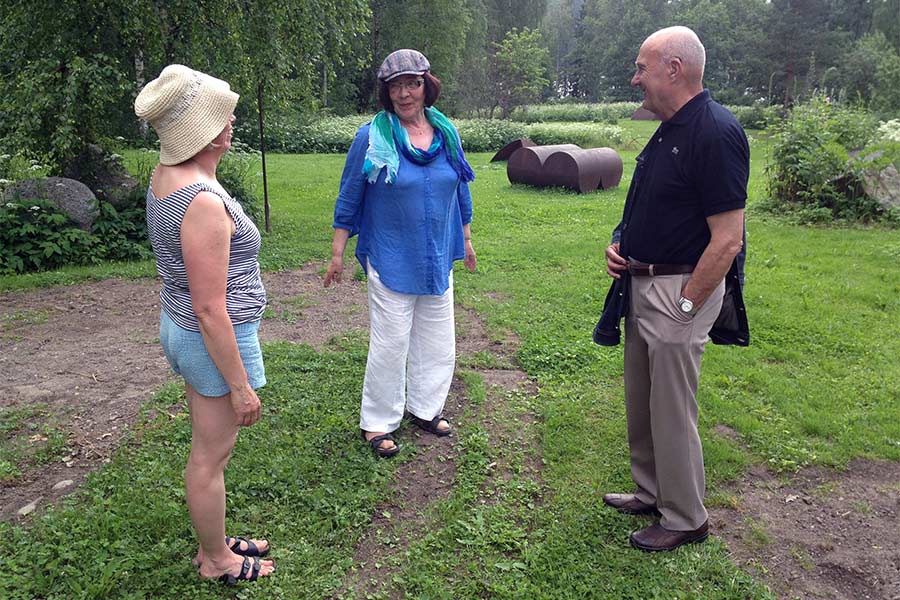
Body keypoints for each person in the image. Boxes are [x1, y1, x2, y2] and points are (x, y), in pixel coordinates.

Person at [598, 26, 750, 551]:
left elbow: (728, 238)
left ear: (674, 69)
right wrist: (621, 243)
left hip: (679, 291)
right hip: (643, 283)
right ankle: (651, 491)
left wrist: (688, 303)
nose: (635, 76)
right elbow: (653, 205)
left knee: (671, 407)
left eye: (642, 67)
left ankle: (685, 516)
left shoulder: (714, 130)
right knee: (642, 401)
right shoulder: (669, 128)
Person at [135, 64, 275, 583]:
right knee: (210, 456)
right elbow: (211, 309)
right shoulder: (203, 203)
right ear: (204, 129)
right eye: (222, 114)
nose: (232, 120)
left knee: (206, 449)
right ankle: (215, 560)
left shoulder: (168, 174)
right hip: (208, 337)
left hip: (179, 328)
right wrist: (240, 388)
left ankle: (214, 539)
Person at [324, 49, 477, 458]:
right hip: (391, 256)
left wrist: (466, 238)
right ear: (386, 92)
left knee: (437, 339)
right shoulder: (371, 137)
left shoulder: (446, 134)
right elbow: (350, 196)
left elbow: (460, 186)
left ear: (427, 85)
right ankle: (377, 423)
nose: (405, 93)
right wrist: (338, 253)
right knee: (390, 344)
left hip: (436, 255)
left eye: (413, 83)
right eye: (396, 86)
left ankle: (426, 409)